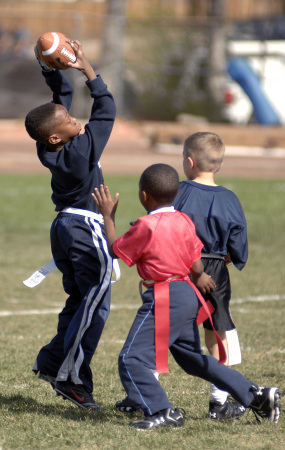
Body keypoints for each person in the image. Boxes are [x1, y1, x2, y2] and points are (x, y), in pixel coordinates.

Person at [92, 163, 281, 430]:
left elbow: (115, 250)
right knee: (193, 360)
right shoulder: (183, 220)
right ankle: (256, 395)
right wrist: (199, 276)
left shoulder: (146, 225)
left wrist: (108, 217)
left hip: (165, 295)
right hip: (188, 294)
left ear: (144, 195)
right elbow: (196, 260)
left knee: (131, 359)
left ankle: (161, 410)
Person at [25, 40, 116, 409]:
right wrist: (88, 69)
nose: (74, 119)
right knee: (96, 303)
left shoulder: (50, 146)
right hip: (84, 229)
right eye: (68, 121)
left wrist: (51, 67)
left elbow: (59, 103)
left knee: (80, 299)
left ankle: (51, 360)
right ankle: (71, 377)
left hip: (64, 228)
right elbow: (106, 109)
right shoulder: (79, 155)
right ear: (58, 135)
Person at [172, 131, 248, 420]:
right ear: (219, 165)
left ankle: (143, 392)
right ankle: (219, 402)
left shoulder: (179, 191)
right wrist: (230, 257)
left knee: (162, 327)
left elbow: (161, 221)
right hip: (215, 269)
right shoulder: (229, 199)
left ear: (189, 162)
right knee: (217, 331)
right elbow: (238, 243)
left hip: (180, 267)